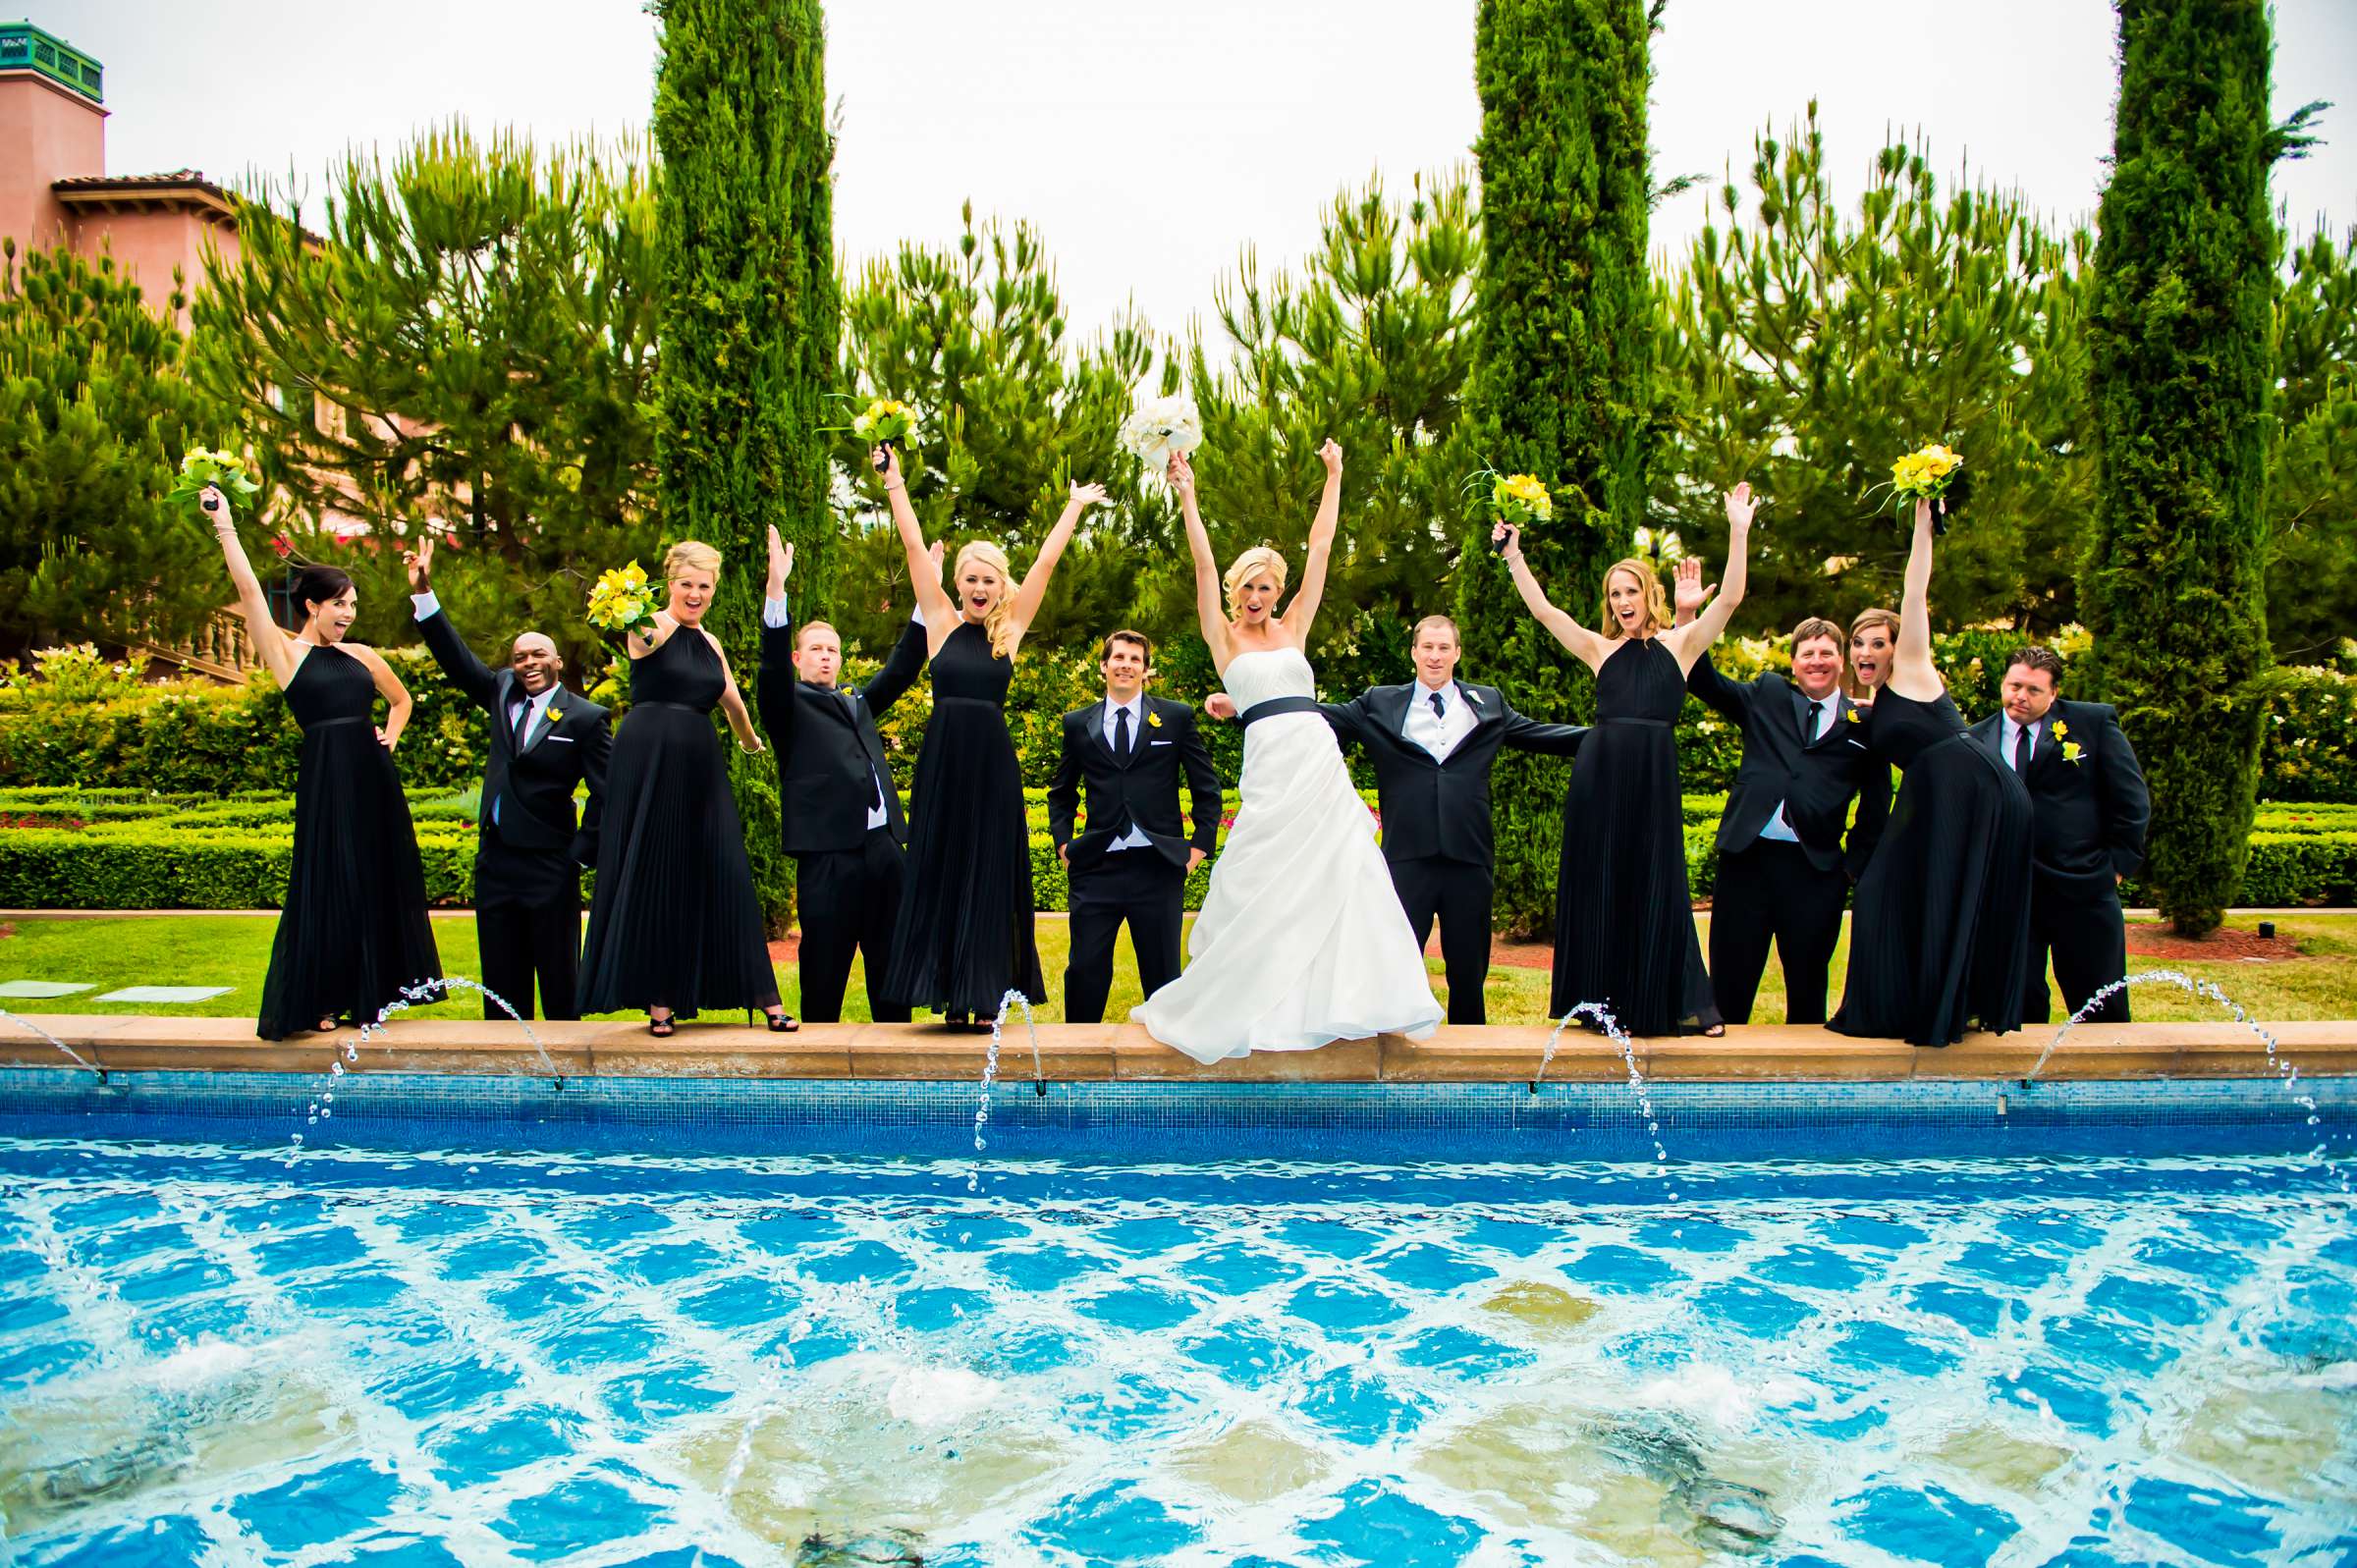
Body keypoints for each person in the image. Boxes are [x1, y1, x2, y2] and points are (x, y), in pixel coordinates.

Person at [1134, 442, 1443, 1061]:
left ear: (1279, 590)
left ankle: (1355, 1001)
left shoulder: (1295, 625)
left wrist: (1334, 474)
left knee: (1345, 866)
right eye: (1249, 585)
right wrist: (1187, 497)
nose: (1259, 596)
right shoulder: (1222, 637)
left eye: (1268, 586)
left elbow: (1322, 549)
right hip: (1270, 765)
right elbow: (1199, 565)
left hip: (1316, 756)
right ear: (1236, 588)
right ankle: (1261, 999)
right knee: (1264, 877)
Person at [1211, 615, 1588, 1024]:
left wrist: (1611, 737)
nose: (1435, 656)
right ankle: (1395, 1056)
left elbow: (1540, 734)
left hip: (1469, 856)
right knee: (1395, 965)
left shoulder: (1489, 703)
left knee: (1468, 972)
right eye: (1427, 647)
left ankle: (1468, 1058)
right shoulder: (1379, 703)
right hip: (1407, 857)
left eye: (1444, 648)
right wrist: (1245, 705)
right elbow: (1317, 715)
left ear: (1457, 654)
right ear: (1413, 652)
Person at [1492, 484, 1759, 1037]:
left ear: (1648, 593)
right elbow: (1543, 612)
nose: (1621, 601)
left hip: (1654, 778)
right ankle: (1597, 1006)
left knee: (1660, 882)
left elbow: (1729, 599)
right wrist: (1513, 553)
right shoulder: (1599, 649)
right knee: (1603, 882)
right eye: (1614, 593)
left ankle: (1683, 1004)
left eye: (1630, 590)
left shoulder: (1681, 644)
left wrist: (1738, 529)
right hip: (1602, 777)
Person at [873, 446, 1102, 1030]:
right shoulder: (941, 620)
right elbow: (911, 546)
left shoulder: (1011, 630)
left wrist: (1072, 507)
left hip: (992, 768)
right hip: (945, 762)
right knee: (944, 865)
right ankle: (950, 993)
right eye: (972, 578)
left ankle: (985, 994)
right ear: (959, 582)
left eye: (990, 580)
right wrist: (896, 484)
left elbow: (1047, 567)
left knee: (989, 871)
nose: (980, 587)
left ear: (1002, 586)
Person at [201, 486, 442, 1041]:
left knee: (376, 879)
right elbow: (248, 592)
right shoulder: (286, 653)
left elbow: (402, 701)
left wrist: (390, 741)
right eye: (340, 605)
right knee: (328, 882)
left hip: (372, 779)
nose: (349, 615)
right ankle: (323, 999)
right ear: (313, 605)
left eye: (354, 606)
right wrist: (226, 527)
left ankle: (371, 998)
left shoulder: (363, 655)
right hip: (326, 778)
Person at [1829, 499, 2035, 1045]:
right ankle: (1909, 1007)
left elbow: (1914, 592)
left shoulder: (1914, 669)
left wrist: (1923, 527)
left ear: (1899, 646)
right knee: (1886, 893)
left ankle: (1935, 1008)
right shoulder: (1874, 702)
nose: (1866, 650)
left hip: (1969, 784)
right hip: (1933, 793)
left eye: (1879, 641)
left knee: (1901, 893)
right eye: (1859, 643)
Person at [576, 540, 790, 1036]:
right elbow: (639, 633)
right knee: (659, 867)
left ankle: (764, 996)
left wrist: (752, 742)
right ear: (669, 583)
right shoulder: (649, 626)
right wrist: (630, 599)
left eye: (704, 587)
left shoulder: (711, 643)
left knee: (725, 866)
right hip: (649, 756)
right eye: (687, 584)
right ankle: (660, 1000)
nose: (696, 594)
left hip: (700, 760)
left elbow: (731, 699)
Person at [1672, 562, 1890, 1025]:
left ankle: (1801, 1089)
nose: (1817, 661)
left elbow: (1875, 806)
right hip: (1746, 861)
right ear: (1794, 662)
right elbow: (1703, 681)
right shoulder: (1768, 694)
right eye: (1808, 653)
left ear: (1841, 661)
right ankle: (1722, 1082)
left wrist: (1848, 870)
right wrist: (1687, 619)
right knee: (1730, 985)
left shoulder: (1865, 724)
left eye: (1827, 653)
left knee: (1808, 991)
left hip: (1815, 873)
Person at [405, 538, 609, 1021]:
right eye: (520, 657)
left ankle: (567, 1084)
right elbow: (455, 659)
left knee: (560, 982)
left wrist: (579, 857)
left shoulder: (585, 718)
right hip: (495, 863)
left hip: (550, 864)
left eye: (539, 654)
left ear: (557, 662)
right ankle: (506, 1080)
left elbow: (607, 791)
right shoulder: (499, 692)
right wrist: (424, 595)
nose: (528, 663)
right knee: (500, 985)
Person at [755, 525, 930, 1024]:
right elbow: (769, 670)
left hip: (883, 849)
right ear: (798, 658)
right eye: (816, 649)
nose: (826, 655)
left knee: (890, 963)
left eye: (832, 649)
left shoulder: (856, 702)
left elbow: (900, 670)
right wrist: (776, 592)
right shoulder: (787, 707)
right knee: (825, 966)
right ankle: (818, 1062)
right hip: (828, 856)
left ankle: (896, 1063)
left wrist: (924, 598)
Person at [1967, 645, 2150, 1024]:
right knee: (2016, 1003)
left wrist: (2117, 866)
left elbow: (2131, 797)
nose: (2020, 696)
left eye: (2034, 690)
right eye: (2015, 685)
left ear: (2053, 693)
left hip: (2082, 885)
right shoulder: (1975, 739)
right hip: (2011, 891)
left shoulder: (2093, 724)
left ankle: (2105, 1078)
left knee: (2101, 1002)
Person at [1046, 629, 1222, 1023]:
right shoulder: (1078, 724)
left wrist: (1196, 849)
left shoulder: (1174, 718)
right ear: (1104, 666)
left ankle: (1164, 1063)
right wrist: (1064, 846)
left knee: (1162, 976)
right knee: (1085, 970)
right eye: (1119, 657)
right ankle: (1076, 1057)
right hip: (1096, 867)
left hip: (1157, 866)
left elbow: (1205, 787)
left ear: (1145, 670)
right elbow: (1061, 793)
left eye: (1135, 659)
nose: (1127, 665)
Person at [1845, 607, 1899, 703]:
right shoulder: (1883, 700)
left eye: (1878, 644)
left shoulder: (1911, 692)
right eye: (1858, 643)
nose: (1865, 653)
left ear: (1895, 649)